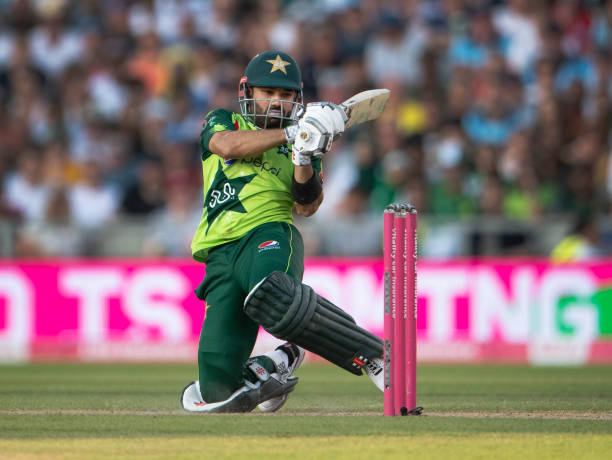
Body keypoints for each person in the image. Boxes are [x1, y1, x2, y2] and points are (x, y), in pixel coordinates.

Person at [180, 50, 384, 414]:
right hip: (220, 254)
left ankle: (374, 356)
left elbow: (307, 206)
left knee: (270, 291)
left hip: (268, 234)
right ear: (247, 92)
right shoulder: (223, 120)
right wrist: (293, 132)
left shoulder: (302, 141)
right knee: (216, 393)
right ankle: (276, 362)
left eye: (286, 95)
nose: (277, 101)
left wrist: (303, 154)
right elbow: (226, 146)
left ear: (297, 98)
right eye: (268, 92)